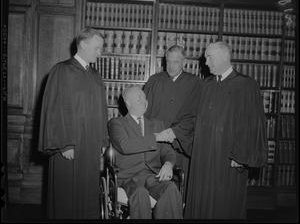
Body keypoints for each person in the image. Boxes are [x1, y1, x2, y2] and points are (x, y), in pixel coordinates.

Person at [169, 41, 268, 219]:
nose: (205, 63)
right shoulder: (204, 84)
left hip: (228, 158)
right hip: (203, 157)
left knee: (224, 204)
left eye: (209, 57)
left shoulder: (246, 85)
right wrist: (176, 132)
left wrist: (241, 155)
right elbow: (188, 116)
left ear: (224, 57)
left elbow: (253, 123)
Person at [38, 28, 108, 219]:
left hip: (90, 146)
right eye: (97, 48)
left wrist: (102, 140)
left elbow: (102, 110)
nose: (100, 53)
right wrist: (64, 143)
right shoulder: (62, 70)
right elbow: (54, 109)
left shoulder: (95, 75)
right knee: (66, 197)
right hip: (69, 146)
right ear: (83, 44)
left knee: (87, 194)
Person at [107, 85, 183, 219]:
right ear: (128, 103)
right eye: (139, 98)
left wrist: (168, 165)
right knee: (140, 193)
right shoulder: (116, 123)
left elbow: (168, 151)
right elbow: (125, 146)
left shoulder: (157, 124)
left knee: (171, 188)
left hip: (152, 176)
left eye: (145, 97)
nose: (145, 101)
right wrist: (156, 137)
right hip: (128, 178)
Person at [143, 45, 201, 202]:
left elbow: (197, 116)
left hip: (181, 142)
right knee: (156, 185)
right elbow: (144, 112)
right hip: (157, 142)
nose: (171, 66)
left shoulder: (195, 83)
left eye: (176, 62)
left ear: (184, 62)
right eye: (168, 61)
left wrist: (177, 132)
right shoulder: (154, 80)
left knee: (181, 186)